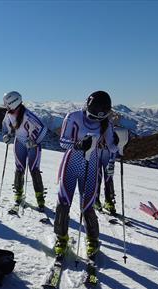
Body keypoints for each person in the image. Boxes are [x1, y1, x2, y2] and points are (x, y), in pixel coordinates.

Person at [53, 91, 118, 258]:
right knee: (64, 202)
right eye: (93, 116)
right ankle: (61, 237)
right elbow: (62, 141)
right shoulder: (73, 117)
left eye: (100, 118)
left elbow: (112, 147)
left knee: (88, 205)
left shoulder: (107, 123)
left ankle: (92, 239)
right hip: (71, 164)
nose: (96, 121)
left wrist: (119, 143)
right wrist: (78, 145)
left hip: (91, 166)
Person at [1, 91, 48, 212]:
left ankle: (40, 198)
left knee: (34, 170)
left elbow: (42, 128)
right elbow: (6, 126)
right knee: (19, 168)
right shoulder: (9, 114)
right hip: (19, 143)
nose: (5, 105)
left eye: (6, 103)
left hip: (32, 145)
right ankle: (18, 194)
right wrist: (7, 135)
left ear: (12, 102)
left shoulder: (27, 115)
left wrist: (34, 141)